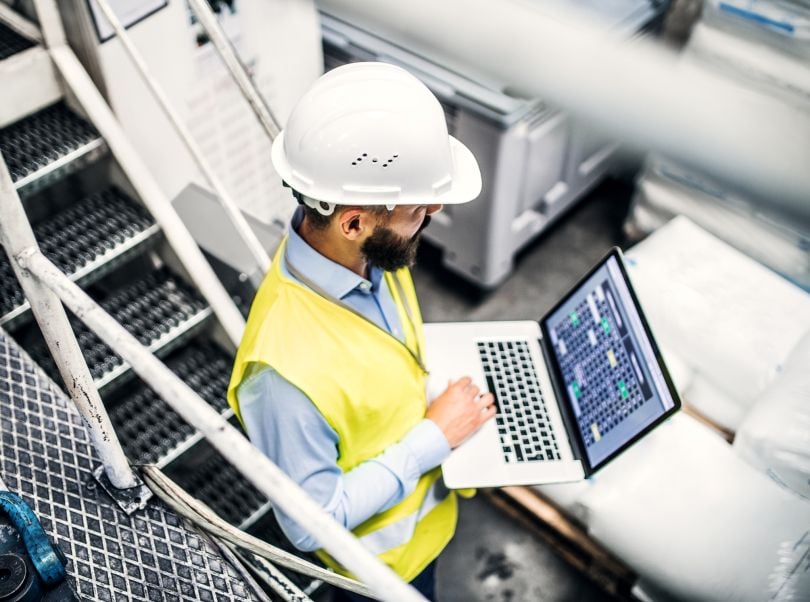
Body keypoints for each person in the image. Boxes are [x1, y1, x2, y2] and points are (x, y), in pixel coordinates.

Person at [226, 62, 496, 601]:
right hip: (380, 577)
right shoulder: (281, 373)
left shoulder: (370, 257)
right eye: (419, 207)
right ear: (353, 222)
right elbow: (309, 524)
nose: (434, 210)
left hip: (427, 533)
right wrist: (434, 438)